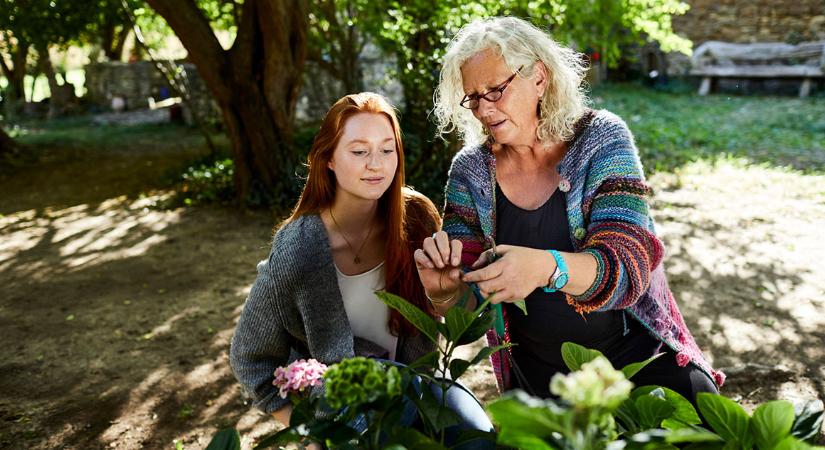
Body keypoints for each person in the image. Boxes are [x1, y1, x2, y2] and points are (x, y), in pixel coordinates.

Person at [414, 17, 725, 406]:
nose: (483, 109)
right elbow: (473, 317)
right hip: (542, 385)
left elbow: (628, 272)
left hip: (637, 362)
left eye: (495, 90)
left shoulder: (601, 141)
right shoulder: (470, 172)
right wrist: (447, 293)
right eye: (473, 97)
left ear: (539, 78)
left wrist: (544, 267)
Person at [229, 92, 493, 446]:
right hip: (353, 426)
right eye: (358, 151)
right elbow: (250, 358)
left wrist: (446, 295)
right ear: (329, 160)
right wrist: (318, 431)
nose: (376, 164)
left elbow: (469, 323)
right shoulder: (298, 249)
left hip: (420, 400)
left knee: (483, 439)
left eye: (387, 150)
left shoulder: (417, 220)